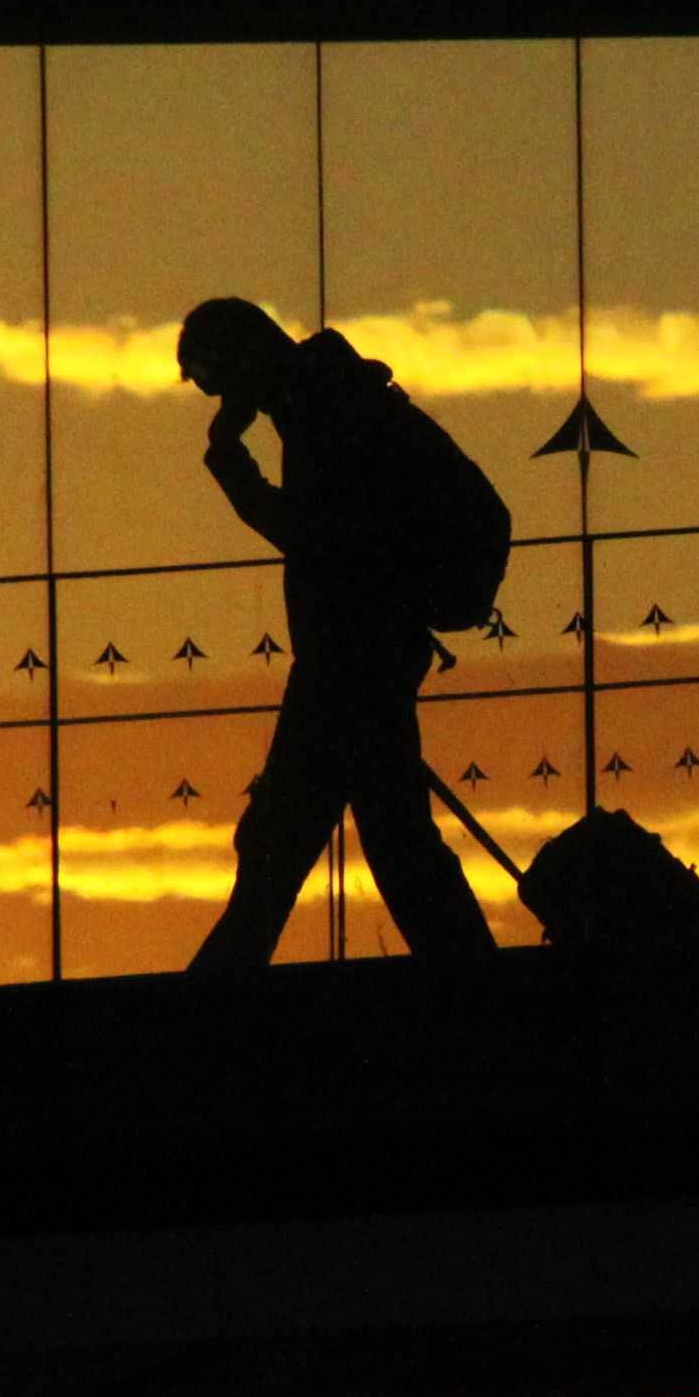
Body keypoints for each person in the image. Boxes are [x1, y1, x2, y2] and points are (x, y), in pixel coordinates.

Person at [176, 295, 502, 970]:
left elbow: (310, 533)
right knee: (374, 843)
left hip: (350, 664)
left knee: (299, 846)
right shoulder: (326, 399)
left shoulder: (323, 409)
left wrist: (228, 462)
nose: (215, 397)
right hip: (361, 656)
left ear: (242, 361)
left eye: (213, 380)